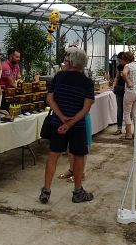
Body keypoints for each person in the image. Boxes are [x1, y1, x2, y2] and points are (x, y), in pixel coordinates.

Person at [39, 47, 95, 204]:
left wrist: (62, 118)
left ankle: (46, 190)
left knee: (54, 155)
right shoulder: (87, 82)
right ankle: (78, 192)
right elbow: (86, 108)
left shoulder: (58, 77)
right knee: (78, 156)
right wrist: (70, 122)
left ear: (71, 61)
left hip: (57, 123)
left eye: (66, 59)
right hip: (77, 126)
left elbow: (50, 99)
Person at [121, 51, 136, 140]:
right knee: (135, 113)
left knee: (127, 113)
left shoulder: (128, 66)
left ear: (126, 59)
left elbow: (124, 73)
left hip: (130, 91)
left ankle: (128, 133)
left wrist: (128, 82)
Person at [113, 52, 127, 136]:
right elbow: (117, 77)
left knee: (128, 110)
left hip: (128, 90)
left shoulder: (130, 66)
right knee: (120, 109)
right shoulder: (119, 67)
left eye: (120, 60)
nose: (119, 62)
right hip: (119, 89)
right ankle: (119, 128)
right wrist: (114, 85)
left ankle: (128, 128)